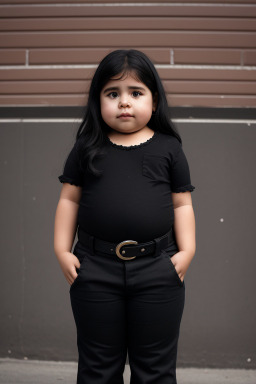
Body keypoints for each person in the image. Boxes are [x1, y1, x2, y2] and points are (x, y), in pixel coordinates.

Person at [54, 49, 196, 384]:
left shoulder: (169, 149)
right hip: (95, 268)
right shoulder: (86, 147)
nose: (124, 103)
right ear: (97, 100)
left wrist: (187, 251)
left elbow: (182, 205)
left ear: (154, 101)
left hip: (158, 268)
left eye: (136, 93)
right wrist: (62, 250)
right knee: (97, 367)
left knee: (155, 368)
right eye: (112, 93)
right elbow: (69, 200)